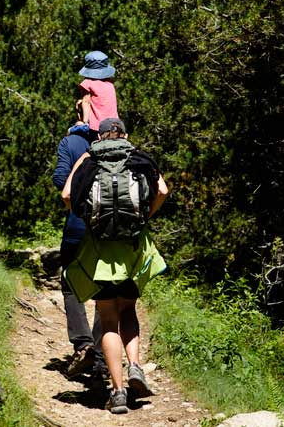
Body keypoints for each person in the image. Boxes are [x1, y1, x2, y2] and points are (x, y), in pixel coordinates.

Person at [61, 118, 168, 414]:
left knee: (108, 319)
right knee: (128, 310)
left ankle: (118, 392)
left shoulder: (90, 160)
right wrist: (146, 216)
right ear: (125, 134)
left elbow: (67, 196)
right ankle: (135, 366)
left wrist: (84, 215)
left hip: (100, 252)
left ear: (100, 136)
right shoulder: (139, 158)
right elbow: (162, 191)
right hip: (133, 249)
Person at [53, 108, 107, 382]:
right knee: (105, 287)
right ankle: (101, 355)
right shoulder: (116, 140)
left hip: (77, 223)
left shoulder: (72, 142)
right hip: (109, 230)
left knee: (71, 282)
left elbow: (59, 179)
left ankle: (83, 344)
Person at [77, 51, 118, 141]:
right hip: (114, 124)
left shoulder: (87, 83)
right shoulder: (110, 83)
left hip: (97, 127)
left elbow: (86, 102)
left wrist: (84, 123)